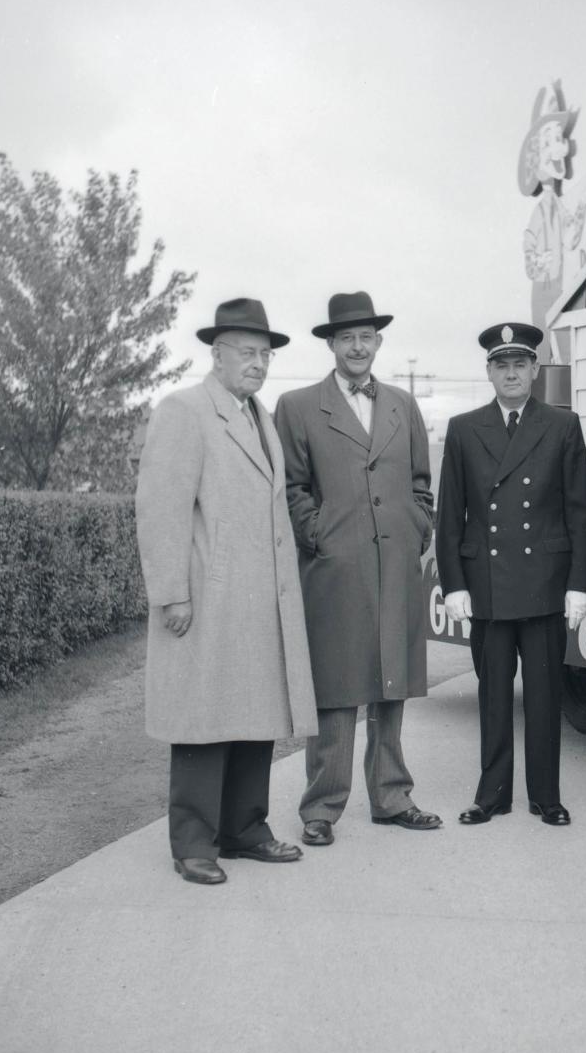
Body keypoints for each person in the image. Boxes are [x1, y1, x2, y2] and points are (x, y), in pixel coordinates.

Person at [136, 297, 317, 885]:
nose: (258, 363)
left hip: (260, 602)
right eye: (247, 352)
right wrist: (171, 594)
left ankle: (244, 829)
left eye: (265, 354)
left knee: (253, 717)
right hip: (208, 599)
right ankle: (193, 843)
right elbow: (160, 509)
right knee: (202, 720)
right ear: (216, 354)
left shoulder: (259, 417)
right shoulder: (185, 410)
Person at [274, 291, 440, 846]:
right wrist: (317, 534)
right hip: (335, 567)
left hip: (395, 562)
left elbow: (421, 481)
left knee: (391, 685)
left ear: (379, 342)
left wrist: (418, 524)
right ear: (330, 344)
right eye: (346, 338)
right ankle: (321, 807)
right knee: (337, 688)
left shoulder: (402, 404)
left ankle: (392, 797)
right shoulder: (298, 406)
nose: (357, 346)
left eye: (366, 336)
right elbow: (292, 488)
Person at [436, 322, 586, 825]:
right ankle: (493, 794)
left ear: (534, 370)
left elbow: (580, 511)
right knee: (493, 695)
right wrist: (454, 585)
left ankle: (546, 796)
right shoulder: (464, 428)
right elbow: (450, 513)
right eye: (501, 365)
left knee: (546, 697)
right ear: (489, 372)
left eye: (520, 364)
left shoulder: (562, 425)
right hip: (488, 584)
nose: (511, 374)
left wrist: (578, 584)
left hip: (545, 584)